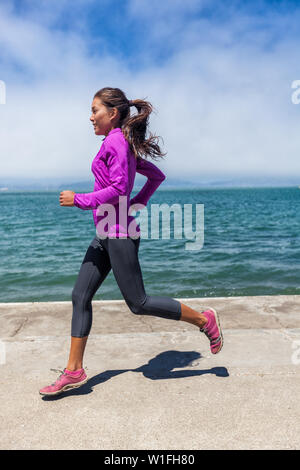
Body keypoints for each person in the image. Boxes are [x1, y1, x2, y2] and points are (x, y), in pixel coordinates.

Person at [39, 87, 223, 397]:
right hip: (106, 232)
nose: (90, 116)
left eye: (95, 110)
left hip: (120, 233)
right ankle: (74, 370)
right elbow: (155, 177)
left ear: (112, 114)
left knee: (139, 303)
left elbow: (118, 187)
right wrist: (137, 202)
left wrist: (81, 200)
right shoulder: (120, 144)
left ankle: (204, 320)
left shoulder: (116, 141)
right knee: (80, 295)